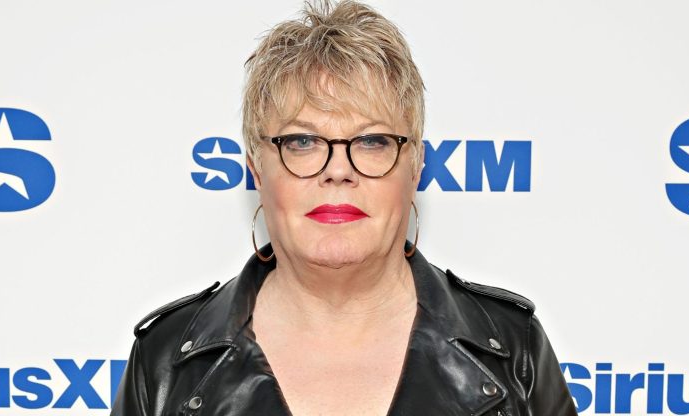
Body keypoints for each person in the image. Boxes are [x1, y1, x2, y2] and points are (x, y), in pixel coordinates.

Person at [111, 0, 577, 415]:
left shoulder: (513, 351)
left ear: (414, 168)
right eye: (303, 141)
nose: (338, 170)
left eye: (371, 141)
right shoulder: (165, 361)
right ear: (256, 169)